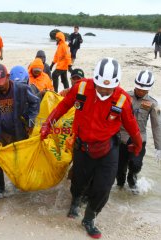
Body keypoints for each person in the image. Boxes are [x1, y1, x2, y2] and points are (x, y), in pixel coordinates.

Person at [40, 58, 142, 239]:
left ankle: (89, 217)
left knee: (104, 187)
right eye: (100, 86)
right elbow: (62, 106)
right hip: (82, 147)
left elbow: (132, 126)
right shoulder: (80, 88)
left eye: (108, 88)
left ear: (116, 84)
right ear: (94, 79)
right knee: (79, 180)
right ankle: (76, 200)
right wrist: (47, 124)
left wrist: (138, 145)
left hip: (108, 149)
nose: (103, 91)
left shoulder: (122, 99)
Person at [0, 64, 40, 199]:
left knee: (20, 159)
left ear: (8, 77)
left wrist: (30, 121)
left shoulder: (22, 89)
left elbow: (35, 102)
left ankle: (19, 185)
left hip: (19, 130)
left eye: (1, 84)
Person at [117, 70, 161, 193]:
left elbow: (157, 125)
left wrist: (159, 147)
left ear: (149, 89)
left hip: (139, 139)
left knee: (136, 164)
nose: (140, 91)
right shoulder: (124, 96)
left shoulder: (153, 103)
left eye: (144, 90)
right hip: (122, 138)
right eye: (138, 88)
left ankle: (132, 179)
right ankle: (120, 188)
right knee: (119, 169)